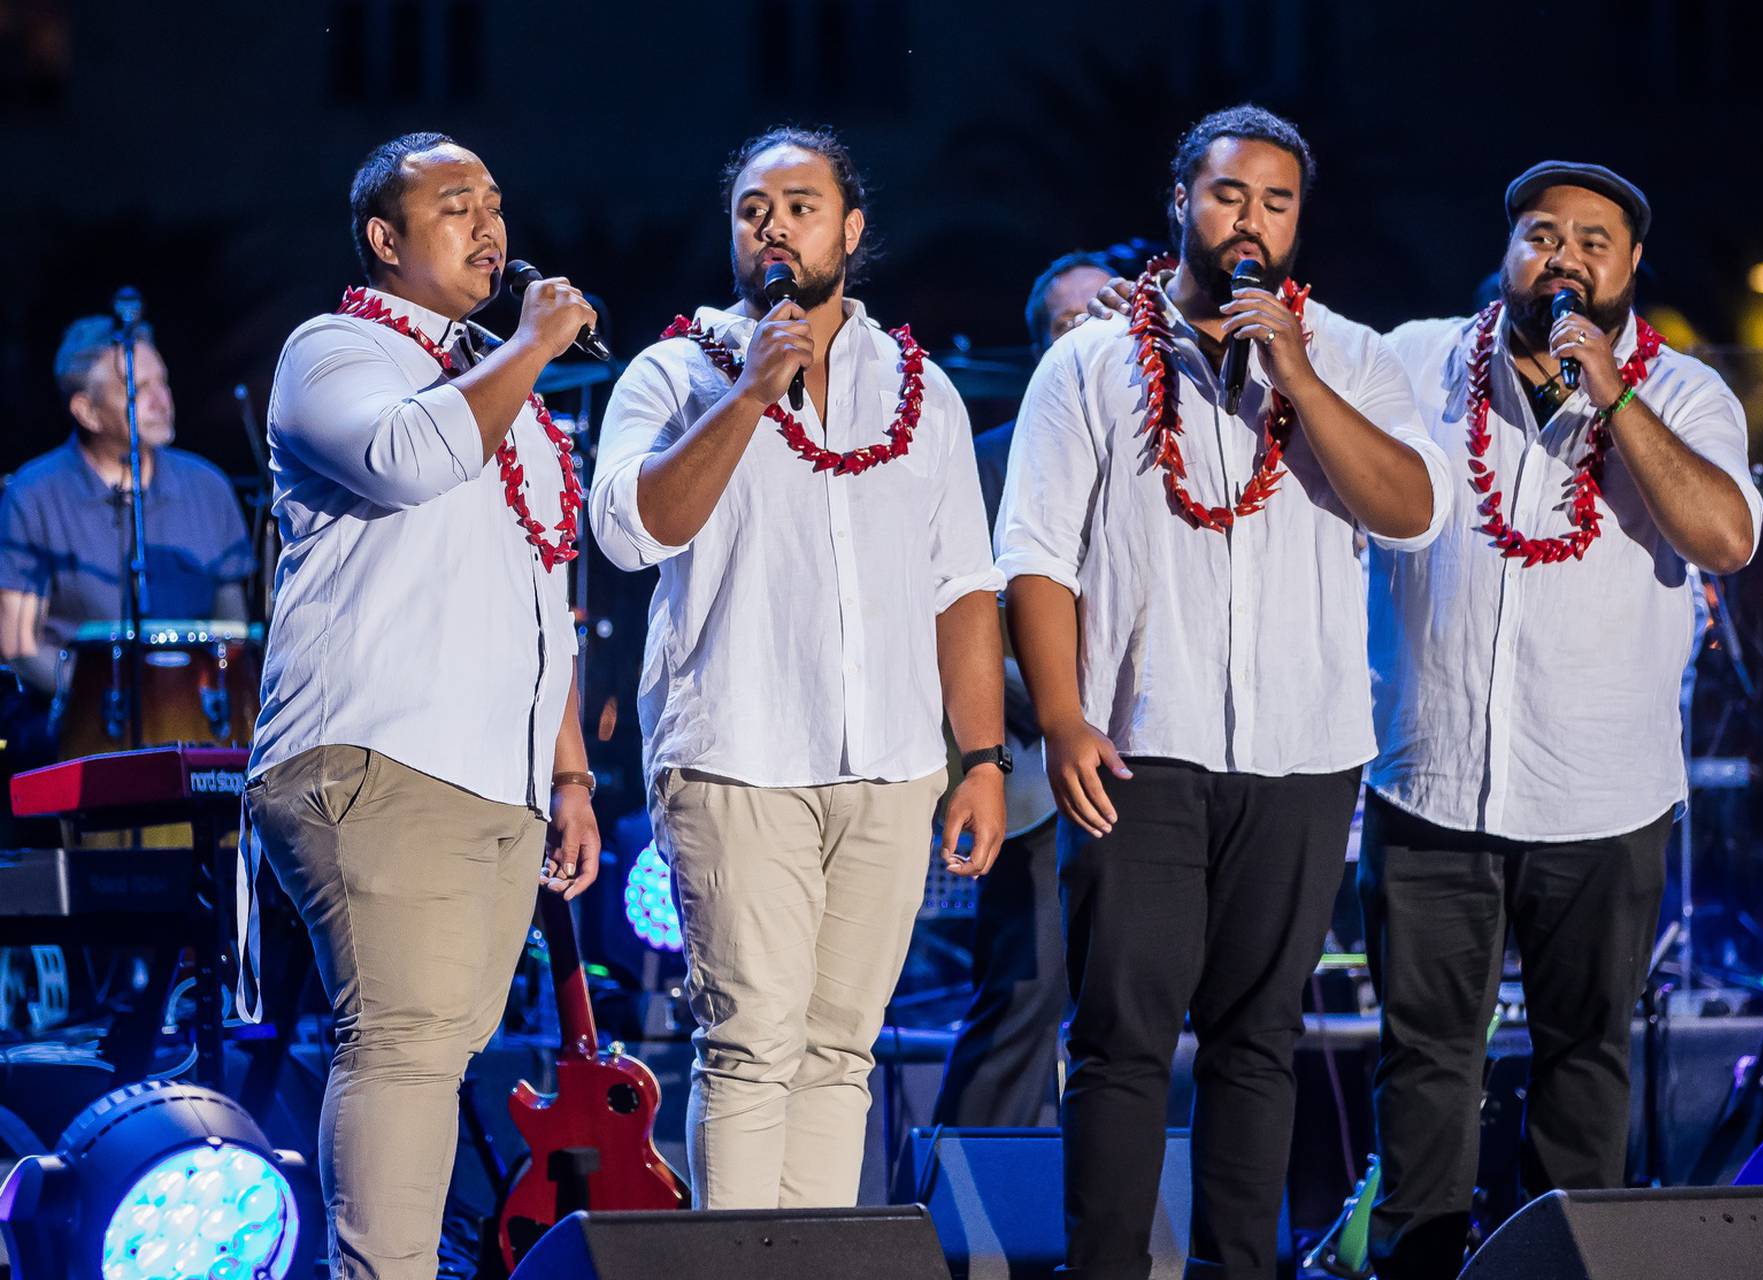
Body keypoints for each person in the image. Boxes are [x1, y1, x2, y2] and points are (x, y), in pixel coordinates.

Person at [998, 104, 1448, 1279]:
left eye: (1276, 202)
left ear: (1300, 222)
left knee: (1259, 1042)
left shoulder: (1347, 353)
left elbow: (1412, 510)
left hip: (1304, 748)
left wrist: (1294, 371)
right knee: (1123, 1041)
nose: (1250, 220)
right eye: (1227, 194)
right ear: (1180, 200)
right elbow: (1034, 553)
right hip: (1138, 742)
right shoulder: (1089, 361)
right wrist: (1059, 718)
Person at [590, 126, 1007, 1209]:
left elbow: (963, 586)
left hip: (893, 765)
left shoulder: (923, 392)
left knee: (839, 1050)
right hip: (738, 754)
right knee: (751, 1044)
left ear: (851, 228)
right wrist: (748, 398)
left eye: (800, 203)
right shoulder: (675, 373)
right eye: (751, 208)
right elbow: (636, 533)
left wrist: (982, 757)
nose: (773, 223)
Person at [1362, 161, 1761, 1280]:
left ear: (1631, 266)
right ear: (1508, 250)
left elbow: (1725, 538)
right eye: (1544, 233)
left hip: (1603, 793)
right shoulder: (1417, 362)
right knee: (1425, 1063)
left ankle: (1563, 1270)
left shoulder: (1683, 394)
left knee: (1585, 1063)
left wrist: (1615, 396)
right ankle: (1418, 1269)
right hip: (1431, 779)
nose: (1567, 256)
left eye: (1595, 238)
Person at [244, 131, 604, 1280]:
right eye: (456, 204)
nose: (489, 224)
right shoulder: (334, 349)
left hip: (494, 774)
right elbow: (403, 456)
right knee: (400, 1044)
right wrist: (540, 342)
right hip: (376, 750)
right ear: (386, 239)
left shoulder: (508, 389)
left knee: (440, 1049)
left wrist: (570, 777)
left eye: (496, 201)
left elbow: (545, 590)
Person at [930, 249, 1111, 1129]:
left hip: (1151, 762)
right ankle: (961, 1220)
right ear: (1043, 349)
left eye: (1104, 315)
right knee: (1025, 993)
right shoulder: (993, 457)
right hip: (1039, 769)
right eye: (1070, 322)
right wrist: (1042, 715)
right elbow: (964, 606)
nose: (1090, 332)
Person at [0, 317, 251, 707]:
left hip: (196, 716)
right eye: (138, 390)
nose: (161, 401)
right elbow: (18, 644)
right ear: (87, 411)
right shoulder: (33, 495)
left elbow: (232, 628)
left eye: (163, 383)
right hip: (80, 724)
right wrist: (107, 699)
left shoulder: (208, 486)